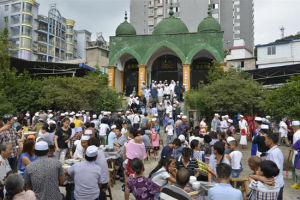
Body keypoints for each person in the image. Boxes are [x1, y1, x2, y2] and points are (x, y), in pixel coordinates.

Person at [251, 133, 284, 200]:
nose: (264, 141)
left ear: (270, 141)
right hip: (276, 183)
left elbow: (275, 169)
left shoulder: (273, 153)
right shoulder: (276, 151)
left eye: (265, 139)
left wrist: (263, 178)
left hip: (275, 184)